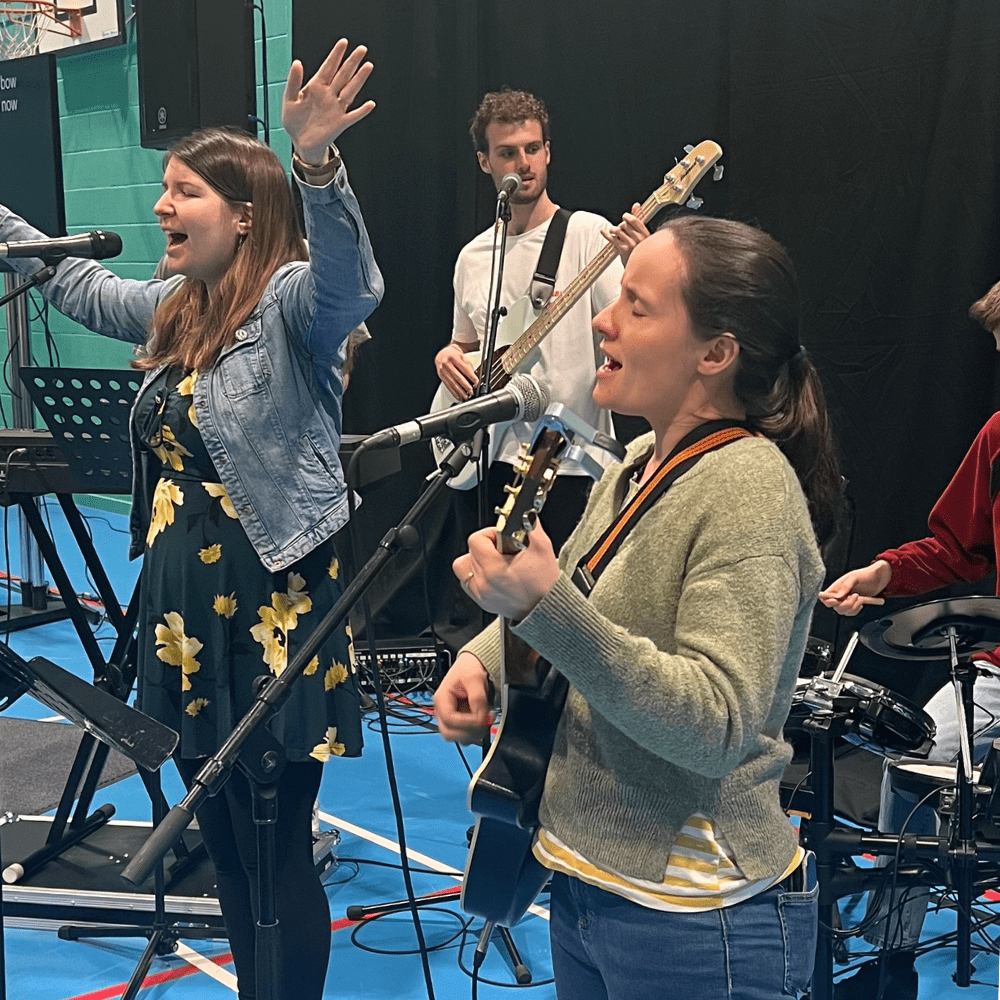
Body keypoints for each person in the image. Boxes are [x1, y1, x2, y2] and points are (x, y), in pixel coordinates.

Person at [0, 38, 382, 1000]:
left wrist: (316, 165)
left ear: (246, 219)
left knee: (273, 847)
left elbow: (353, 281)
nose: (160, 207)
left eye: (183, 193)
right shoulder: (181, 303)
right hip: (181, 614)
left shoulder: (293, 305)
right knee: (222, 847)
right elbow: (78, 284)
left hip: (268, 607)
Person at [434, 216, 844, 999]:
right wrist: (481, 657)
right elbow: (580, 590)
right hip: (590, 886)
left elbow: (718, 723)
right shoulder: (636, 465)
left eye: (638, 306)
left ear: (715, 354)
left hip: (696, 921)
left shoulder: (747, 491)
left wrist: (544, 607)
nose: (602, 319)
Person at [818, 277, 1000, 1000]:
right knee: (915, 763)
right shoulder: (997, 438)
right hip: (999, 677)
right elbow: (955, 548)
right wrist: (882, 572)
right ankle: (889, 957)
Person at [434, 88, 647, 552]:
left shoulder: (589, 234)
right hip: (488, 457)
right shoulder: (473, 257)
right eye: (507, 153)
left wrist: (641, 265)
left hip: (569, 461)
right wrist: (449, 355)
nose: (523, 163)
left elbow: (628, 331)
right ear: (484, 162)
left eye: (533, 149)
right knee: (494, 606)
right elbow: (467, 345)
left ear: (548, 152)